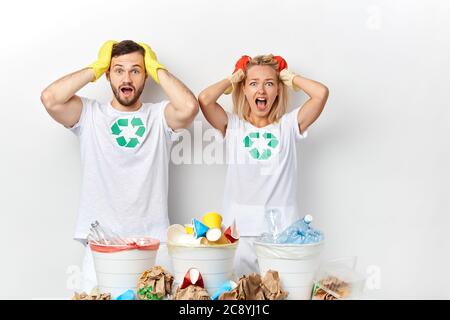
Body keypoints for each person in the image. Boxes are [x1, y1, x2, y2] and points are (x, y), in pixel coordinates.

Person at [40, 40, 198, 292]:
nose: (127, 78)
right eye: (118, 70)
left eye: (136, 70)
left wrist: (157, 68)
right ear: (108, 75)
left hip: (154, 245)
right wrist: (95, 67)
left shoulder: (159, 116)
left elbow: (189, 107)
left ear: (145, 76)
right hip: (102, 245)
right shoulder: (90, 115)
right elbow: (50, 98)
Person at [198, 54, 329, 276]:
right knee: (241, 294)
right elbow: (205, 99)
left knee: (284, 292)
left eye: (269, 84)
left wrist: (289, 76)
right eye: (253, 83)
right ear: (244, 90)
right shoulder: (233, 126)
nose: (261, 91)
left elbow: (321, 93)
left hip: (282, 234)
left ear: (278, 89)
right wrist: (234, 78)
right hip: (239, 234)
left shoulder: (288, 126)